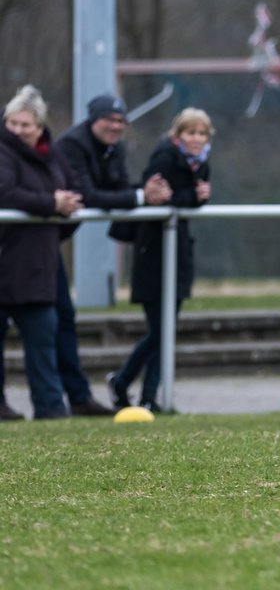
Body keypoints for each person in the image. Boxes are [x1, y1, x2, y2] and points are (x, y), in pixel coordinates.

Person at [53, 94, 172, 416]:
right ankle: (57, 399)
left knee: (62, 320)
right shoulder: (71, 145)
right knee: (47, 321)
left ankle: (77, 398)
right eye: (110, 120)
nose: (117, 126)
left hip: (47, 245)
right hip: (27, 244)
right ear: (93, 119)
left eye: (121, 121)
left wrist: (149, 195)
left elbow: (118, 187)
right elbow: (89, 196)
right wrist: (139, 195)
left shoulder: (114, 148)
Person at [107, 108, 212, 413]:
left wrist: (202, 195)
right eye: (190, 132)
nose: (196, 138)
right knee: (160, 330)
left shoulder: (202, 161)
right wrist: (193, 196)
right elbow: (161, 197)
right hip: (153, 254)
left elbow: (189, 198)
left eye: (202, 133)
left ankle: (148, 397)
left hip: (178, 252)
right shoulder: (165, 157)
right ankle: (124, 382)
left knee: (167, 330)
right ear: (177, 135)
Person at [0, 85, 84, 420]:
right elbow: (5, 193)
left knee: (43, 343)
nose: (18, 131)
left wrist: (61, 212)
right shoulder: (2, 152)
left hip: (38, 265)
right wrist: (51, 204)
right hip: (5, 258)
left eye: (26, 125)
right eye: (12, 123)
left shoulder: (53, 153)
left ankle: (50, 409)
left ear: (40, 127)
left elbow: (74, 190)